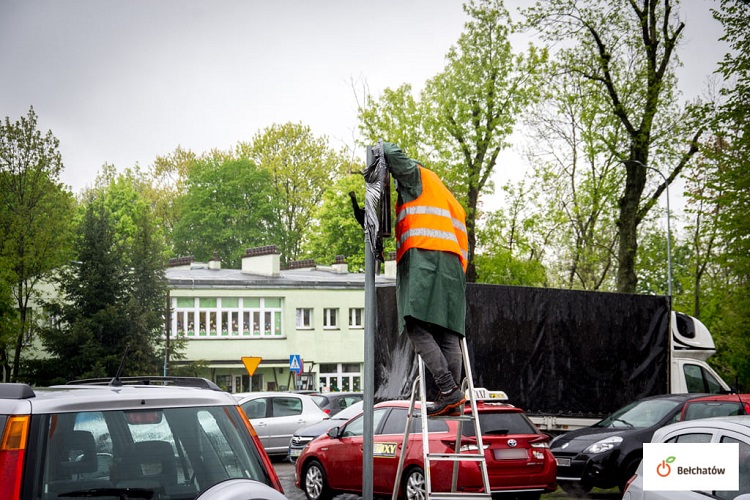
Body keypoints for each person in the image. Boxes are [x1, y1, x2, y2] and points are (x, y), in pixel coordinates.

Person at [382, 142, 469, 417]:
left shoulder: (418, 176)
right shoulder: (446, 196)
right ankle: (452, 396)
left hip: (425, 259)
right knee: (447, 332)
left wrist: (376, 153)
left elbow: (392, 151)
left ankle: (447, 388)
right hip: (453, 269)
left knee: (414, 324)